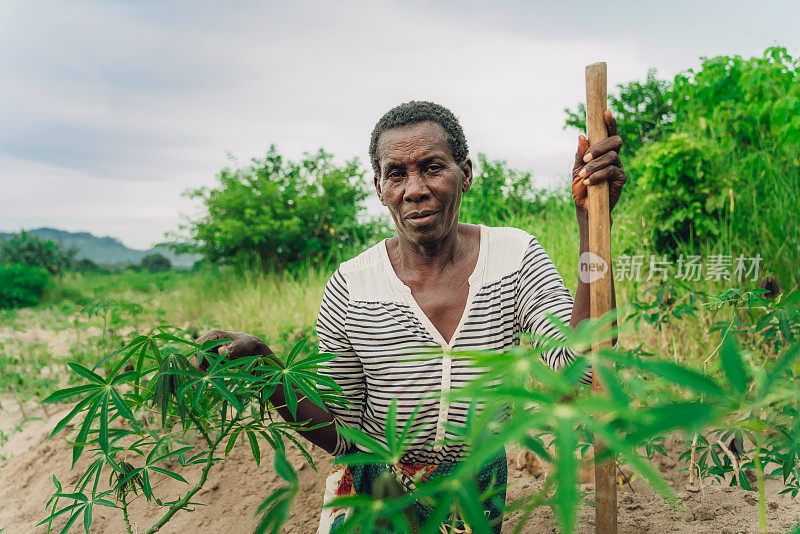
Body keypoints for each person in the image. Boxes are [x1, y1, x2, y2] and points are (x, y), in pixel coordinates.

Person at [194, 101, 626, 532]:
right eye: (397, 173)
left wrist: (590, 222)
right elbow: (346, 437)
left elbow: (581, 366)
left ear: (467, 174)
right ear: (379, 187)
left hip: (473, 494)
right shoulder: (352, 288)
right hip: (378, 496)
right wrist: (271, 375)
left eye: (433, 167)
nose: (414, 188)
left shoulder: (513, 259)